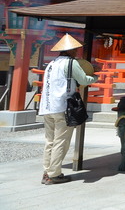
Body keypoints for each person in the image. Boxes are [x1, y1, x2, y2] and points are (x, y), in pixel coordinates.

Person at [38, 33, 98, 185]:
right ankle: (54, 174)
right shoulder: (71, 63)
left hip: (47, 106)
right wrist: (95, 76)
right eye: (75, 49)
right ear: (70, 50)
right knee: (61, 141)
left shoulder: (52, 63)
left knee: (50, 141)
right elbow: (84, 80)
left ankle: (47, 171)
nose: (77, 52)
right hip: (63, 107)